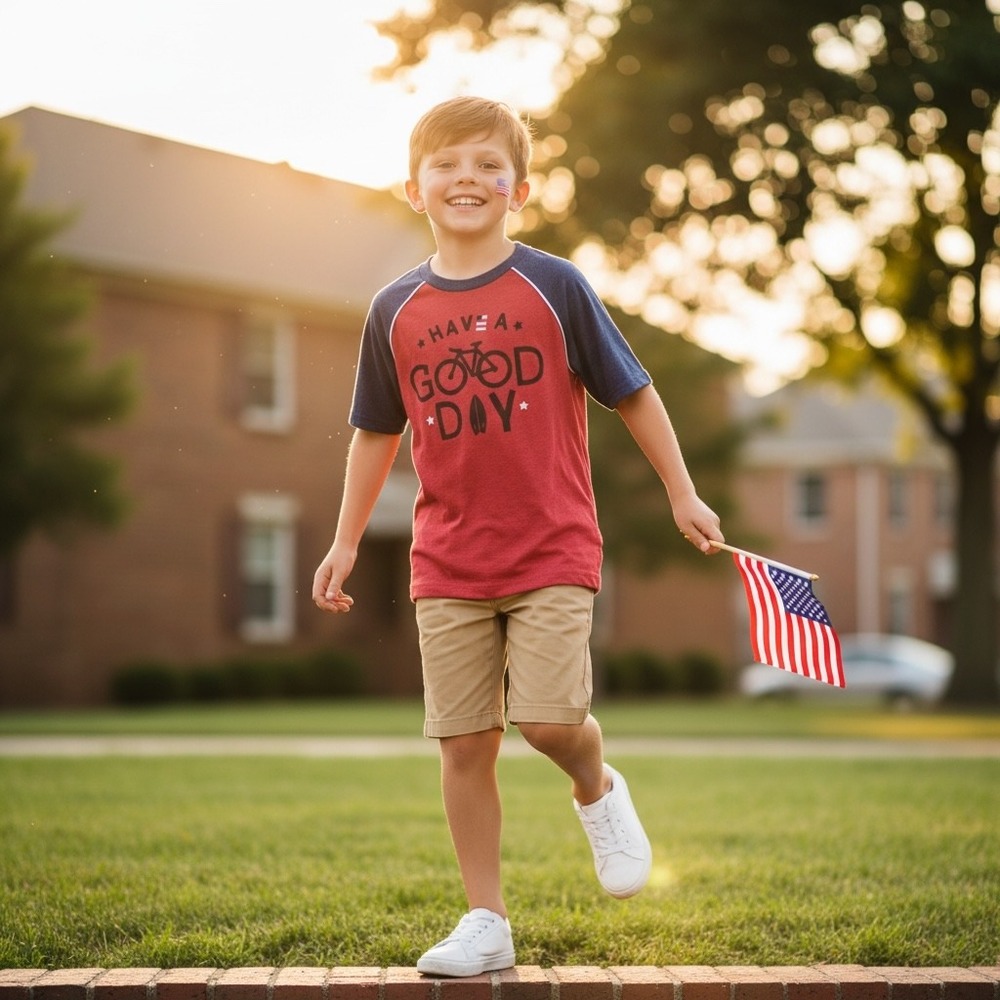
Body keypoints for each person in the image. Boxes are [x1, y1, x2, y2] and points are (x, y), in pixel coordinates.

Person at [312, 95, 723, 978]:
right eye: (448, 165)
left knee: (547, 720)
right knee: (465, 743)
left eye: (487, 165)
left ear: (519, 188)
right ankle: (485, 919)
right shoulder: (393, 309)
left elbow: (634, 392)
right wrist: (346, 541)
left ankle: (597, 786)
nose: (468, 179)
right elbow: (375, 434)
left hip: (551, 547)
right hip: (447, 557)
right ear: (414, 188)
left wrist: (682, 493)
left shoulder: (556, 285)